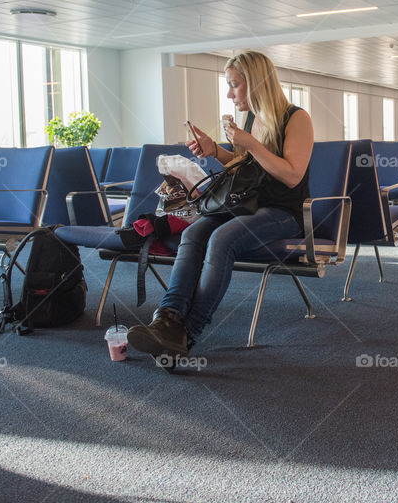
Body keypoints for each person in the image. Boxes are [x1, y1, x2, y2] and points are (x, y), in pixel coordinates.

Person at [127, 51, 314, 358]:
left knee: (221, 239)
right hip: (246, 204)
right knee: (192, 234)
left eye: (235, 85)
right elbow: (247, 168)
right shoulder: (252, 120)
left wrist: (251, 143)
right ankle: (167, 319)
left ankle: (187, 333)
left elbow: (292, 176)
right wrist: (215, 151)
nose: (229, 93)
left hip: (283, 212)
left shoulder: (296, 118)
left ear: (256, 84)